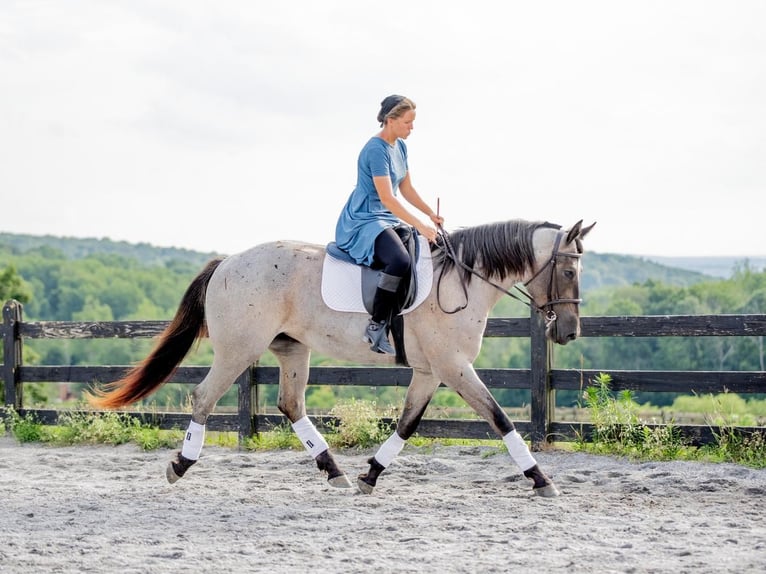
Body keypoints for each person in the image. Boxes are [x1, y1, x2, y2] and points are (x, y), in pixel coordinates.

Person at [335, 95, 444, 355]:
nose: (412, 128)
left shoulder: (401, 147)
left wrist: (430, 214)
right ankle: (376, 325)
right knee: (400, 261)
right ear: (391, 120)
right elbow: (387, 197)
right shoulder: (375, 150)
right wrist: (418, 224)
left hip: (387, 216)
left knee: (417, 252)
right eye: (408, 122)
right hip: (366, 218)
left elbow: (406, 188)